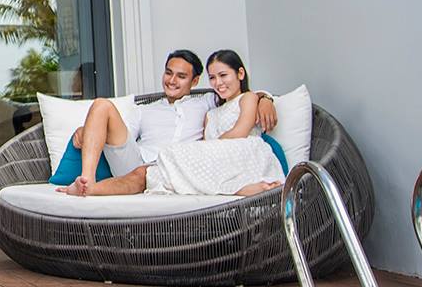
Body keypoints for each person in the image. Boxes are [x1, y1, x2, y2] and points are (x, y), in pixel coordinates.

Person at [63, 49, 279, 197]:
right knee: (101, 105)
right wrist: (92, 129)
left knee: (145, 174)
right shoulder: (144, 109)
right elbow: (122, 136)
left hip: (180, 166)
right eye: (168, 73)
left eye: (181, 76)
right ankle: (86, 180)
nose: (172, 81)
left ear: (195, 81)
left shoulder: (207, 102)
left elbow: (237, 98)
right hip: (136, 161)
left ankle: (88, 190)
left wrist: (265, 99)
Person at [143, 49, 286, 197]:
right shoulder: (211, 114)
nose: (218, 83)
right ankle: (234, 188)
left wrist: (266, 98)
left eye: (223, 75)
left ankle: (242, 187)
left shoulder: (247, 98)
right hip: (220, 160)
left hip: (243, 150)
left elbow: (241, 131)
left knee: (170, 152)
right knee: (158, 170)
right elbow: (207, 145)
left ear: (240, 74)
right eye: (212, 77)